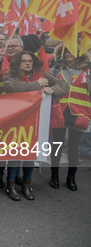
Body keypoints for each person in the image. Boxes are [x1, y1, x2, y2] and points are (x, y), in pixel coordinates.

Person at [3, 51, 69, 201]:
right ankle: (11, 185)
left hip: (37, 120)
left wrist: (53, 89)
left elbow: (64, 86)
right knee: (16, 152)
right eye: (24, 61)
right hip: (18, 120)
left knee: (31, 153)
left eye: (30, 61)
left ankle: (27, 184)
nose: (27, 63)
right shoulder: (11, 74)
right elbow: (12, 87)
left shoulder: (42, 73)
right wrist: (36, 85)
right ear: (18, 63)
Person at [48, 44, 88, 191]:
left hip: (79, 113)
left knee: (74, 147)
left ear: (79, 53)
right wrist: (56, 67)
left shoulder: (86, 69)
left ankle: (71, 177)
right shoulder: (58, 67)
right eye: (65, 52)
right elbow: (48, 80)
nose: (68, 54)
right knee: (57, 145)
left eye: (71, 51)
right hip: (60, 111)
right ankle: (54, 174)